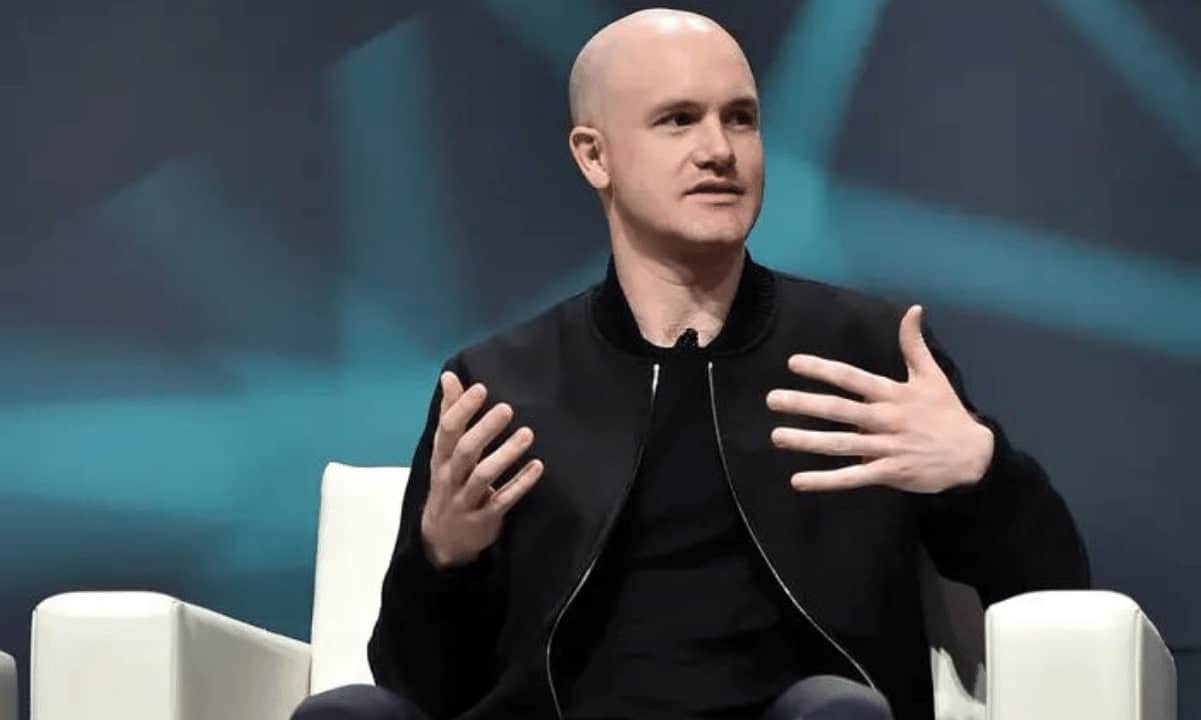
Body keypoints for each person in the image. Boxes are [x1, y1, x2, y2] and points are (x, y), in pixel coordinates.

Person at [291, 8, 1089, 720]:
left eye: (740, 119)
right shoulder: (502, 384)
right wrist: (445, 558)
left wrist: (979, 471)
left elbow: (1055, 603)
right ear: (594, 156)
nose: (718, 151)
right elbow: (417, 687)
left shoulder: (867, 355)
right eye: (677, 120)